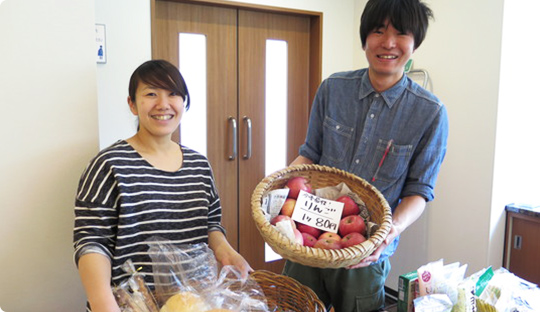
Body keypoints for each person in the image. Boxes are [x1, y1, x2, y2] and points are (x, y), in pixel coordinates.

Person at [282, 0, 448, 311]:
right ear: (364, 38)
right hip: (310, 235)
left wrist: (389, 232)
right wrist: (279, 189)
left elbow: (419, 192)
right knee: (294, 306)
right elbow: (309, 155)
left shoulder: (430, 113)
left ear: (415, 42)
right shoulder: (333, 88)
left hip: (367, 252)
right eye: (378, 31)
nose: (388, 43)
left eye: (401, 33)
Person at [73, 60, 252, 312]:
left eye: (173, 94)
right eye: (151, 94)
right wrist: (104, 304)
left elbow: (210, 224)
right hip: (132, 305)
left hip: (194, 303)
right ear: (132, 105)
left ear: (183, 103)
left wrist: (227, 252)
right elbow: (91, 241)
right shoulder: (109, 165)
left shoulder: (199, 165)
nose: (163, 104)